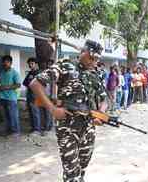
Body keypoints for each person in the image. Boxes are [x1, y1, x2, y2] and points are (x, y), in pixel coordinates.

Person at [30, 40, 107, 182]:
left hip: (88, 128)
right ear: (82, 52)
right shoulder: (66, 66)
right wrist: (53, 110)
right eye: (91, 57)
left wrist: (101, 114)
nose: (93, 61)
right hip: (67, 128)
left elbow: (104, 99)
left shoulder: (95, 74)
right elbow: (35, 84)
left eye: (96, 58)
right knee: (71, 173)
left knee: (82, 168)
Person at [0, 55, 21, 137]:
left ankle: (16, 132)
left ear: (10, 63)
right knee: (6, 116)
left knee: (13, 115)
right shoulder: (1, 73)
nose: (4, 63)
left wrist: (6, 87)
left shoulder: (15, 73)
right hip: (2, 97)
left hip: (11, 98)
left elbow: (18, 85)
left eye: (6, 62)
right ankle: (9, 130)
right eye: (3, 62)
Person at [23, 57, 41, 135]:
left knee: (35, 112)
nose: (30, 65)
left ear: (36, 64)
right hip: (29, 94)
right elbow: (24, 83)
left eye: (32, 63)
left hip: (36, 95)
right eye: (29, 64)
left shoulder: (39, 73)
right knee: (31, 112)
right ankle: (33, 128)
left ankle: (37, 129)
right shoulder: (30, 73)